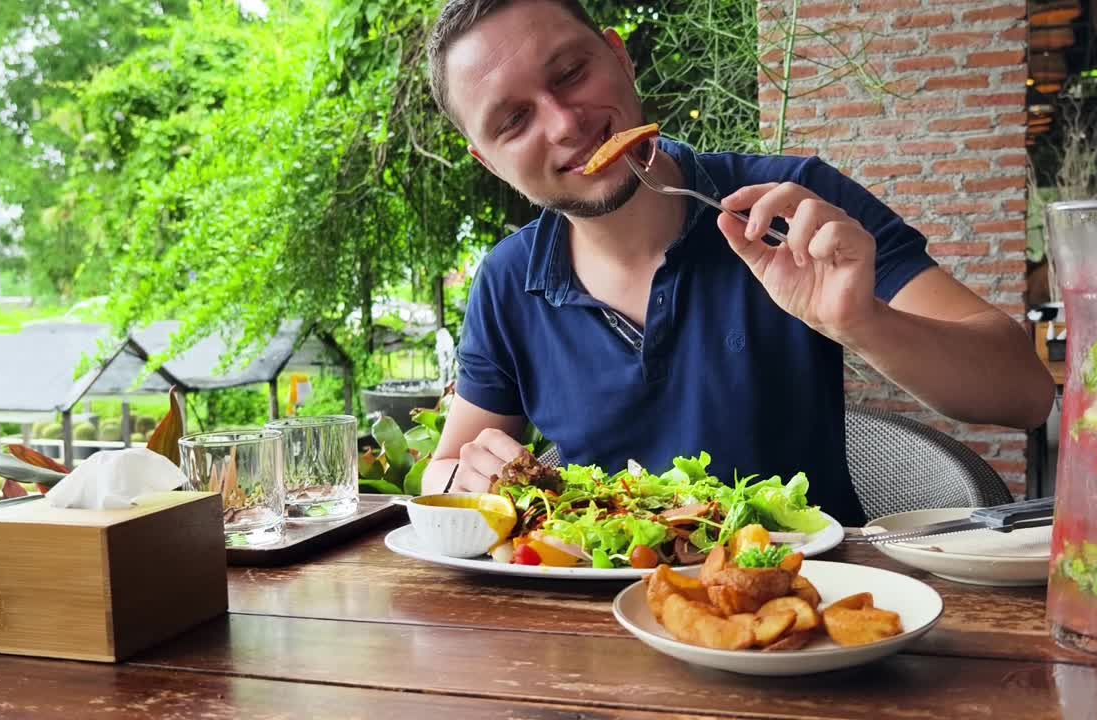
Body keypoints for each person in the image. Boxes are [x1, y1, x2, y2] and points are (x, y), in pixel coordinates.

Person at [420, 0, 1055, 525]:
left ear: (618, 56)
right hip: (607, 628)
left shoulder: (792, 205)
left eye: (568, 74)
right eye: (513, 121)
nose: (563, 123)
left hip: (814, 616)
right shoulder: (508, 281)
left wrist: (861, 321)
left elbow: (1025, 393)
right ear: (487, 160)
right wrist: (469, 473)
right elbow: (443, 473)